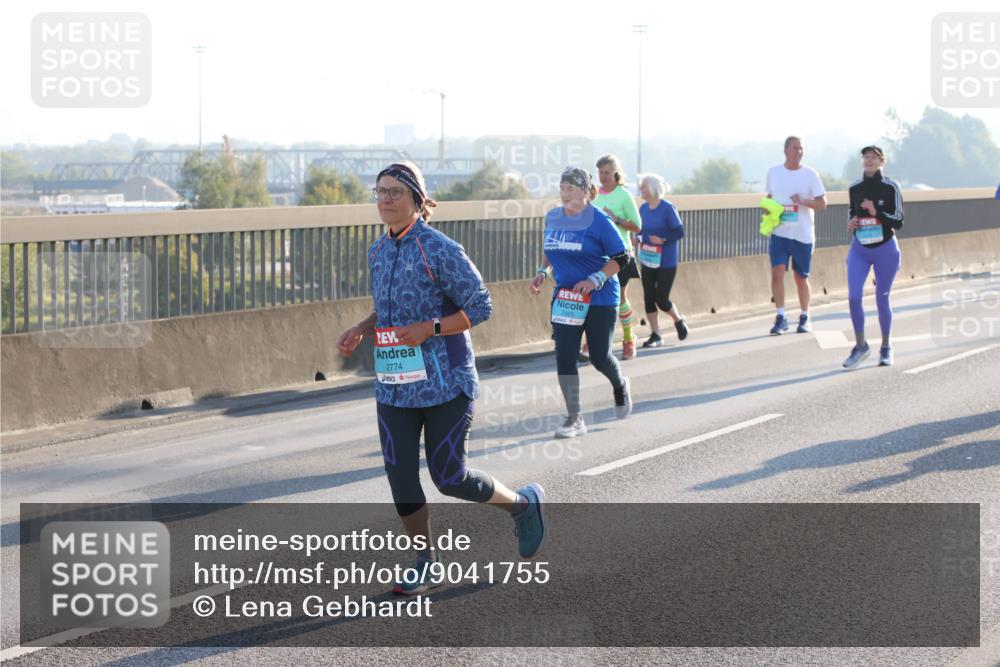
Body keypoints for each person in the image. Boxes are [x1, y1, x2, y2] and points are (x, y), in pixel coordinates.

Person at [337, 161, 546, 595]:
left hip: (446, 381)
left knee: (449, 477)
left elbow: (481, 307)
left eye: (395, 192)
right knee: (399, 474)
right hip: (395, 384)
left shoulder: (439, 248)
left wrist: (430, 329)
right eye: (380, 192)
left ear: (416, 198)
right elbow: (391, 307)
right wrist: (362, 327)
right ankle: (426, 562)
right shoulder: (378, 251)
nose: (386, 200)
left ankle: (522, 506)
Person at [530, 166, 633, 438]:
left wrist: (595, 279)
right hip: (566, 298)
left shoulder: (598, 220)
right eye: (562, 188)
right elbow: (550, 248)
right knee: (565, 357)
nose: (565, 194)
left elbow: (623, 258)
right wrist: (543, 272)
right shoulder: (553, 217)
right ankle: (574, 417)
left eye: (571, 189)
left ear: (586, 193)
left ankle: (620, 383)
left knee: (599, 357)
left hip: (599, 298)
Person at [842, 145, 904, 368]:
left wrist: (876, 212)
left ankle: (886, 347)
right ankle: (860, 346)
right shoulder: (854, 188)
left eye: (873, 157)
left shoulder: (891, 187)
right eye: (866, 157)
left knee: (881, 299)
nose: (869, 161)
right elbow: (852, 212)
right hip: (860, 248)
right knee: (853, 297)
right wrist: (852, 222)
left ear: (881, 162)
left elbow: (898, 221)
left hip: (885, 248)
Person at [765, 136, 828, 335]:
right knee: (777, 273)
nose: (798, 152)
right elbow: (768, 199)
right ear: (785, 150)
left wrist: (803, 201)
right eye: (794, 148)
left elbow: (822, 204)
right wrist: (770, 211)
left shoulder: (810, 174)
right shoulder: (774, 173)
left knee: (800, 277)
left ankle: (805, 315)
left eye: (801, 149)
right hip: (780, 232)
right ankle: (781, 316)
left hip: (802, 234)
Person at [592, 154, 643, 360]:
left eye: (606, 172)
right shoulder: (594, 195)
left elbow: (638, 226)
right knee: (594, 299)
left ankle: (629, 340)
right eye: (600, 173)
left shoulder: (624, 195)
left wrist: (616, 219)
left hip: (620, 254)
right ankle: (593, 342)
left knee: (620, 298)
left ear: (615, 173)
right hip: (598, 254)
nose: (603, 176)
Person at [636, 173, 688, 347]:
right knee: (649, 297)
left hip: (666, 261)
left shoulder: (667, 208)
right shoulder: (643, 209)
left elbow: (679, 232)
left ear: (652, 188)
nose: (640, 189)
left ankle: (678, 319)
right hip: (647, 258)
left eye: (643, 186)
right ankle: (656, 334)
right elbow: (641, 231)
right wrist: (638, 238)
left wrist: (663, 239)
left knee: (661, 299)